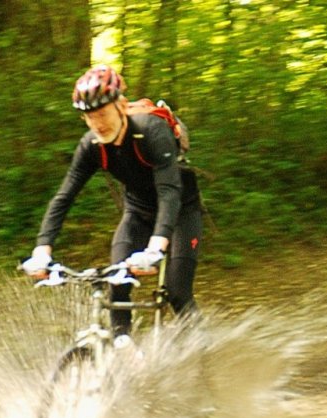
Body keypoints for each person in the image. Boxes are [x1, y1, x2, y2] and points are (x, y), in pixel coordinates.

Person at [22, 65, 203, 342]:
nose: (98, 123)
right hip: (138, 211)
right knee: (116, 284)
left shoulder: (151, 132)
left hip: (180, 212)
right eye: (89, 117)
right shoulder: (91, 145)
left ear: (120, 105)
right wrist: (42, 250)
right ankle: (124, 351)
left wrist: (156, 248)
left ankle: (205, 356)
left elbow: (169, 193)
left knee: (177, 291)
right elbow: (64, 196)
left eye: (102, 113)